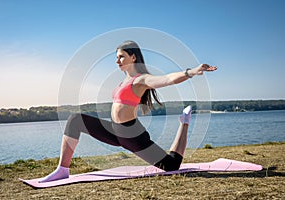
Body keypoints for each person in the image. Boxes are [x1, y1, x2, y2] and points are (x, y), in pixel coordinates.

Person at [39, 40, 217, 182]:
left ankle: (184, 122)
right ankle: (62, 170)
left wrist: (192, 71)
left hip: (132, 134)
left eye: (121, 57)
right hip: (114, 131)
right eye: (116, 58)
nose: (117, 61)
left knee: (172, 165)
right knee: (76, 120)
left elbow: (167, 79)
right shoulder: (121, 82)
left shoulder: (142, 79)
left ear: (133, 57)